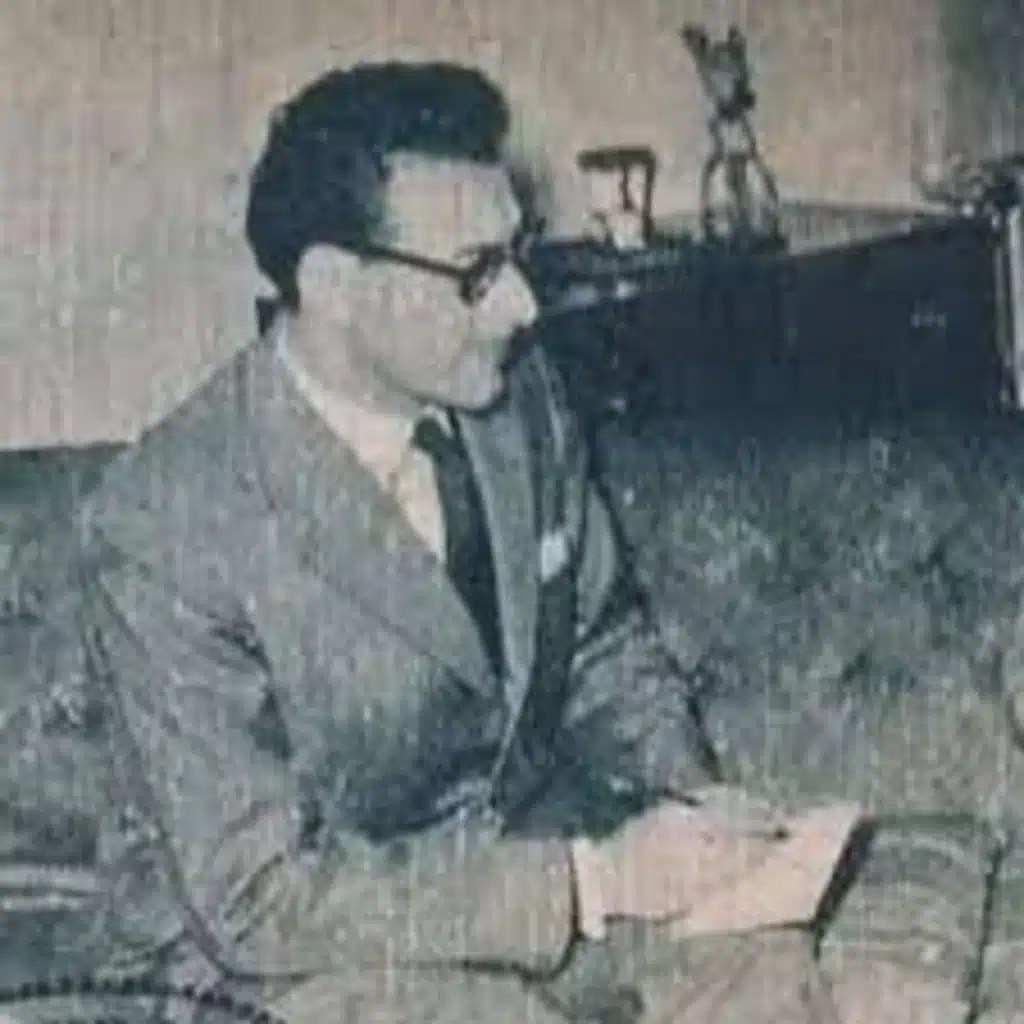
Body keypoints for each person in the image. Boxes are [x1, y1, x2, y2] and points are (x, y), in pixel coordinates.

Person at [15, 61, 998, 1024]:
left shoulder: (514, 398)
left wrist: (693, 803)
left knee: (757, 967)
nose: (522, 305)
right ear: (335, 285)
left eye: (516, 254)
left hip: (530, 858)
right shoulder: (164, 522)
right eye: (476, 272)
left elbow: (602, 643)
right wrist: (592, 881)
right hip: (293, 953)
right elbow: (260, 900)